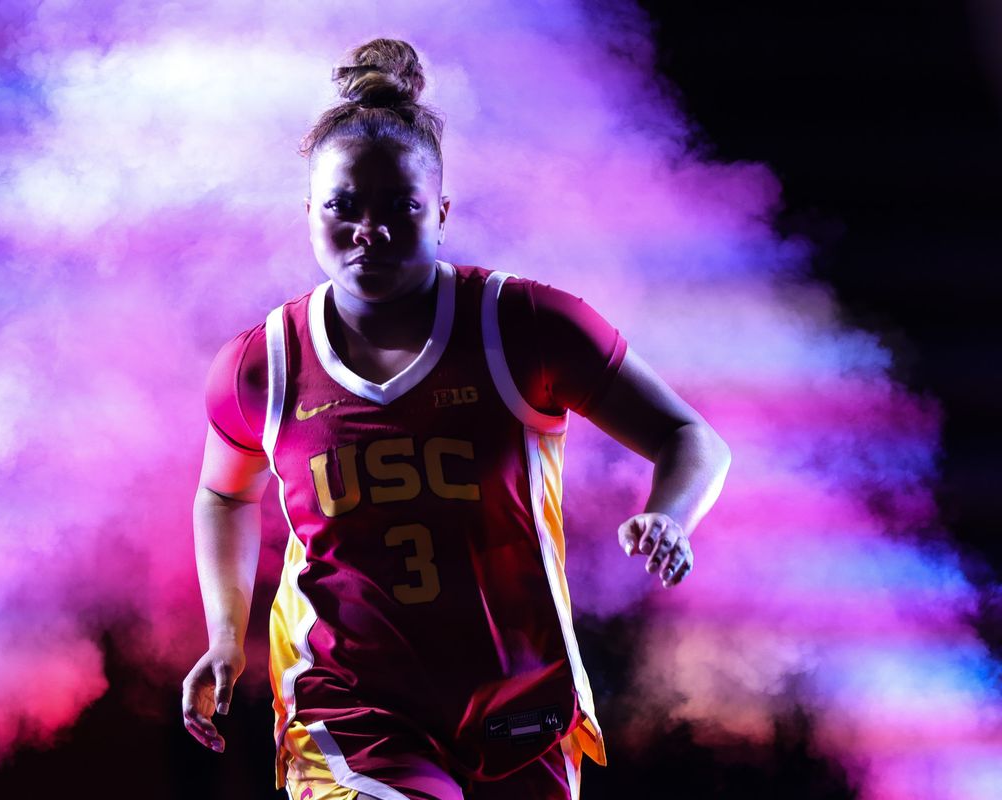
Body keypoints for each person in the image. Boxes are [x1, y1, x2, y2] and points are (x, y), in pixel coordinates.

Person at [182, 38, 731, 800]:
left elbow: (690, 437)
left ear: (440, 213)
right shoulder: (263, 365)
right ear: (309, 213)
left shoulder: (523, 326)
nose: (368, 230)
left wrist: (670, 515)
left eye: (399, 207)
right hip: (350, 705)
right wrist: (224, 635)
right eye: (343, 206)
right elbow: (223, 493)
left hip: (517, 697)